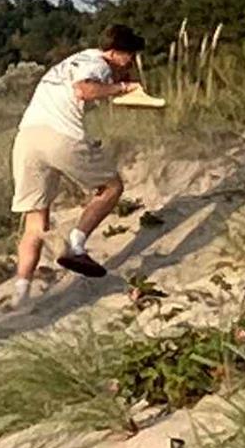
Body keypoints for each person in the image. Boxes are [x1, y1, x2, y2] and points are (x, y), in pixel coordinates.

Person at [12, 25, 149, 284]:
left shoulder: (74, 61)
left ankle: (21, 292)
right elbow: (84, 89)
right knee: (112, 188)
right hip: (60, 136)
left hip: (26, 139)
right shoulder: (99, 64)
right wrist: (123, 87)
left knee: (35, 224)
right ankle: (76, 246)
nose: (130, 64)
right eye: (129, 57)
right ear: (115, 53)